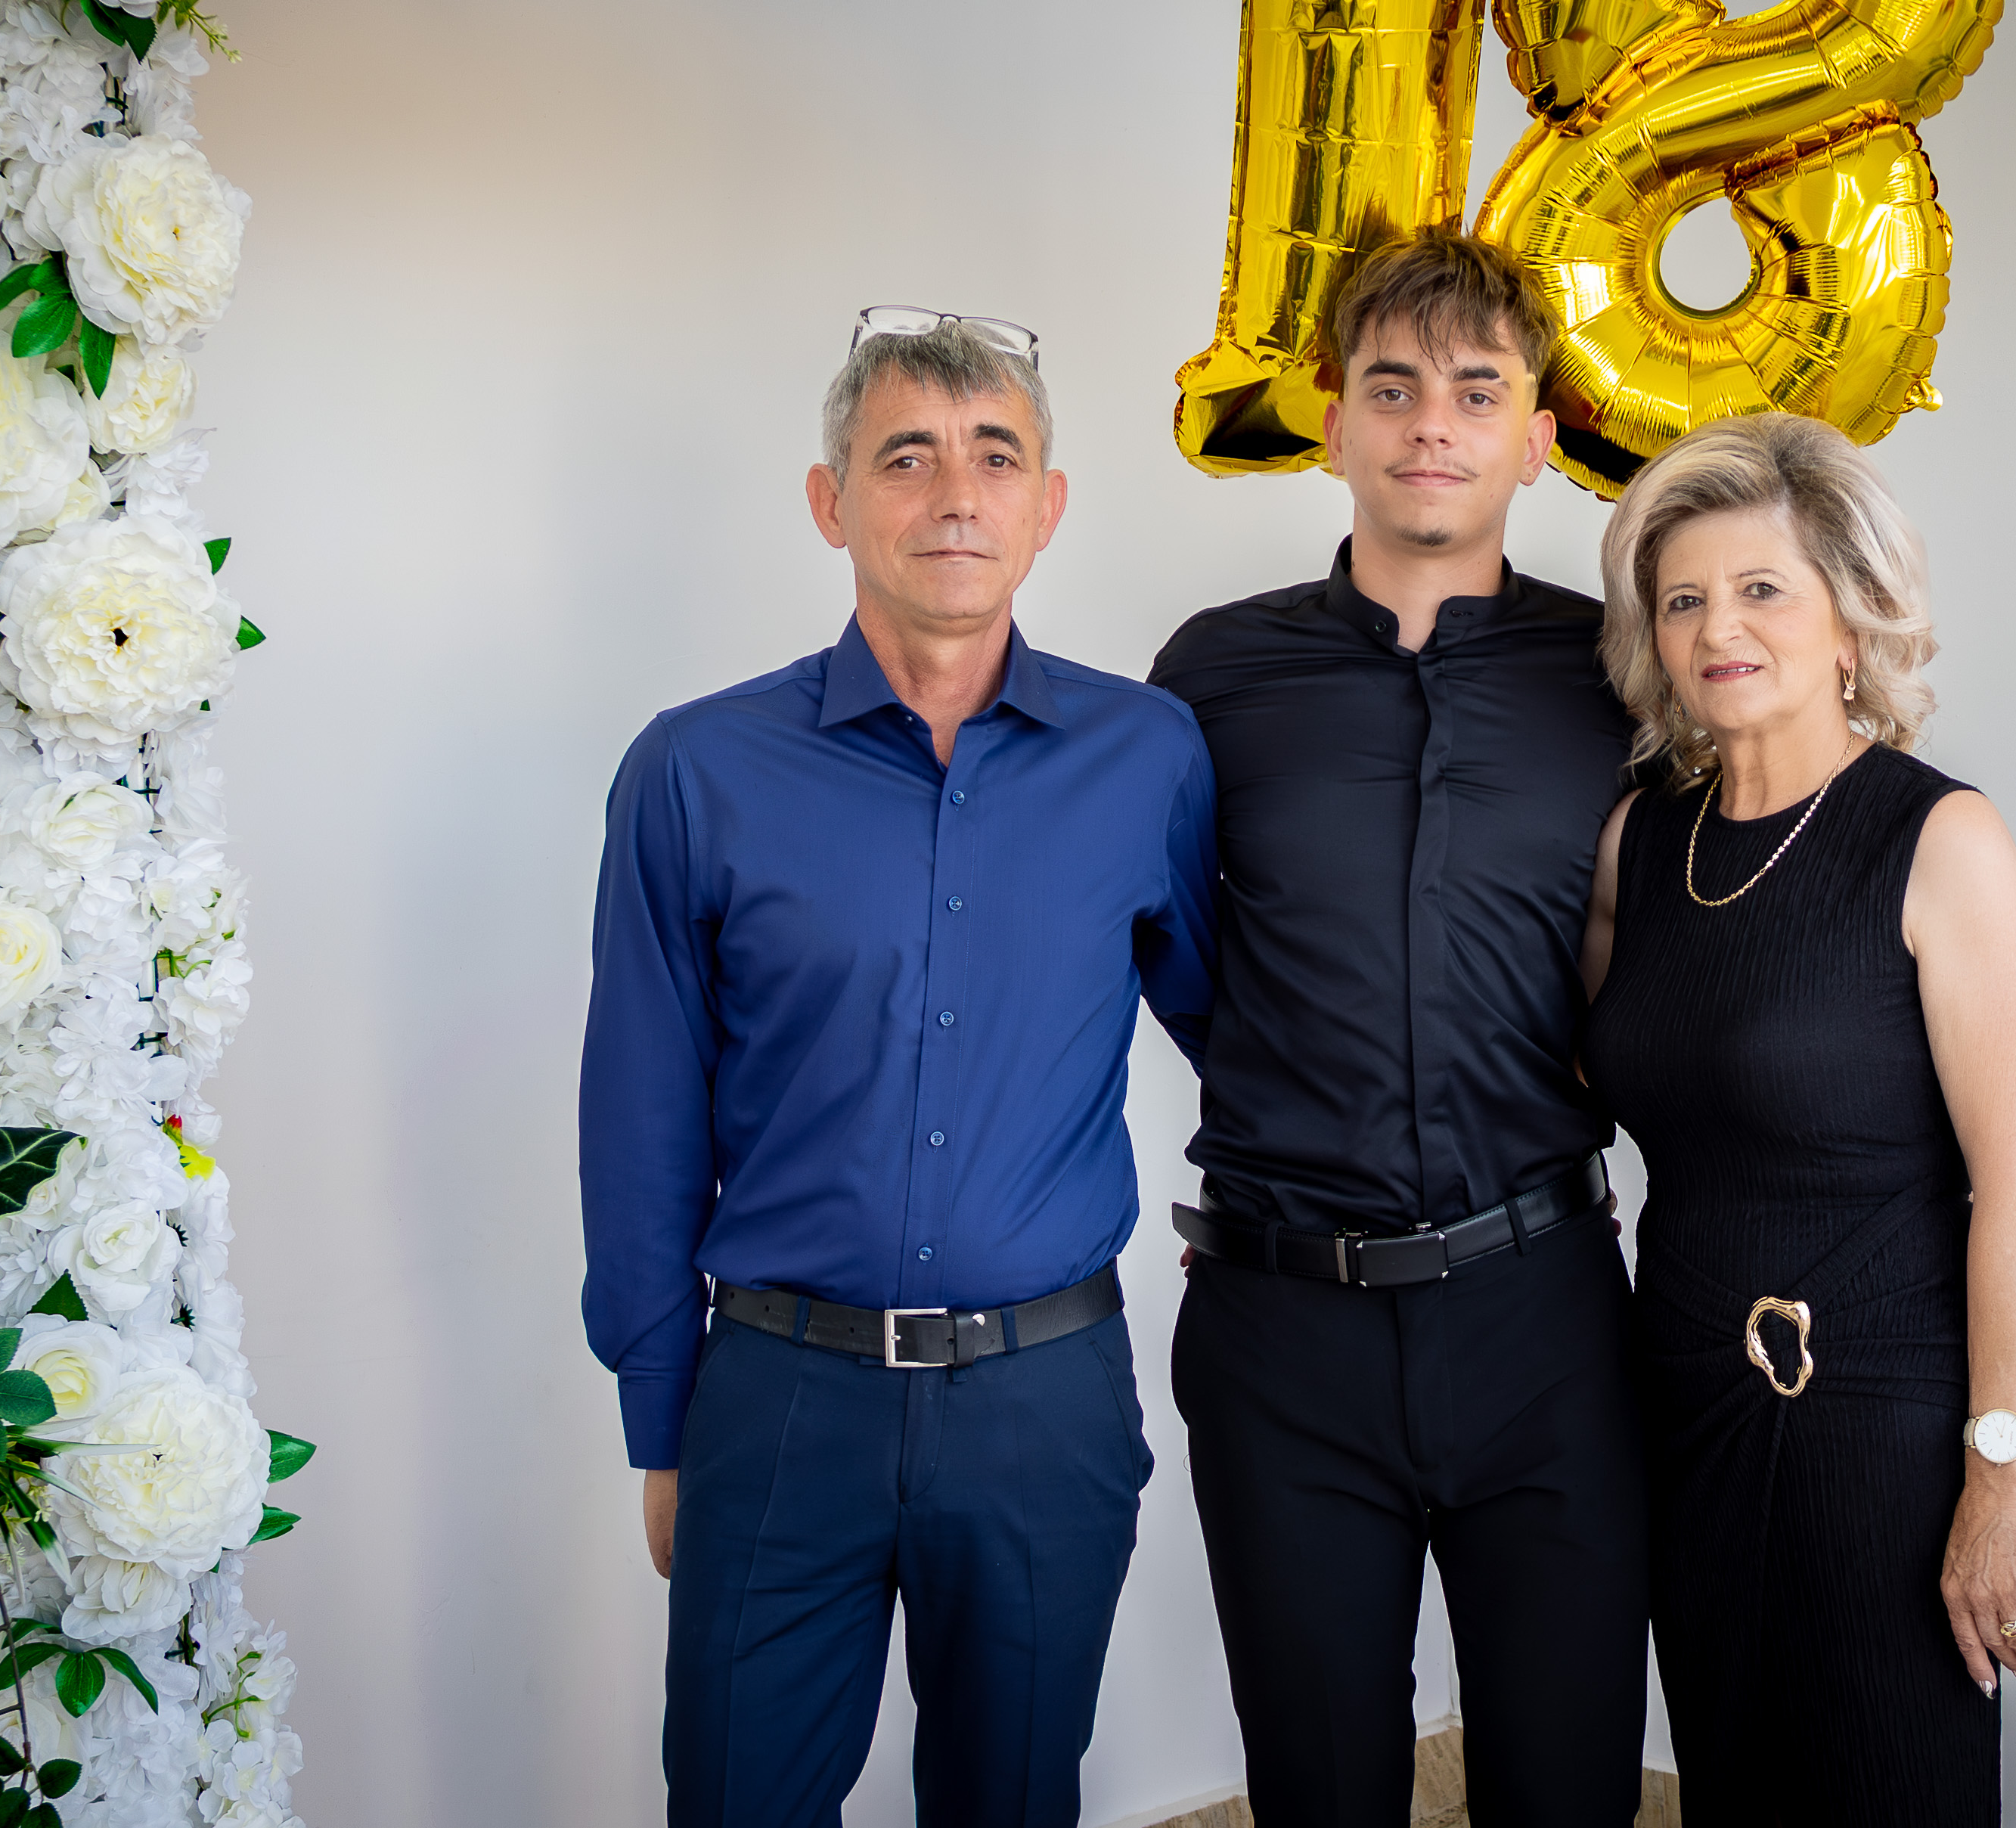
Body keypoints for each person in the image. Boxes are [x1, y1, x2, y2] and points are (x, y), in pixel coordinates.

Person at [577, 312, 1217, 1828]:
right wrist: (663, 1418)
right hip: (778, 1400)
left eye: (995, 457)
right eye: (906, 457)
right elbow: (640, 1116)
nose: (954, 496)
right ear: (832, 501)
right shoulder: (696, 769)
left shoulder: (1149, 757)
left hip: (1044, 1404)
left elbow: (1250, 1042)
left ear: (1046, 506)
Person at [1146, 228, 1648, 1828]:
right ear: (1333, 421)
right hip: (1281, 1325)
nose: (1433, 422)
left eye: (1476, 390)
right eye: (1392, 386)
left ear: (1537, 437)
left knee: (1567, 1785)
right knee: (1318, 1788)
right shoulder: (1211, 673)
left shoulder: (1623, 672)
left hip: (1546, 1318)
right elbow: (1180, 951)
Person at [1577, 412, 2016, 1826]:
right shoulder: (1640, 840)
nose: (1716, 627)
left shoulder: (1939, 839)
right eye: (1681, 600)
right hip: (1682, 1411)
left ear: (1851, 617)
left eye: (1759, 588)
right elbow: (1577, 1078)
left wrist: (2000, 1480)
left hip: (1875, 1426)